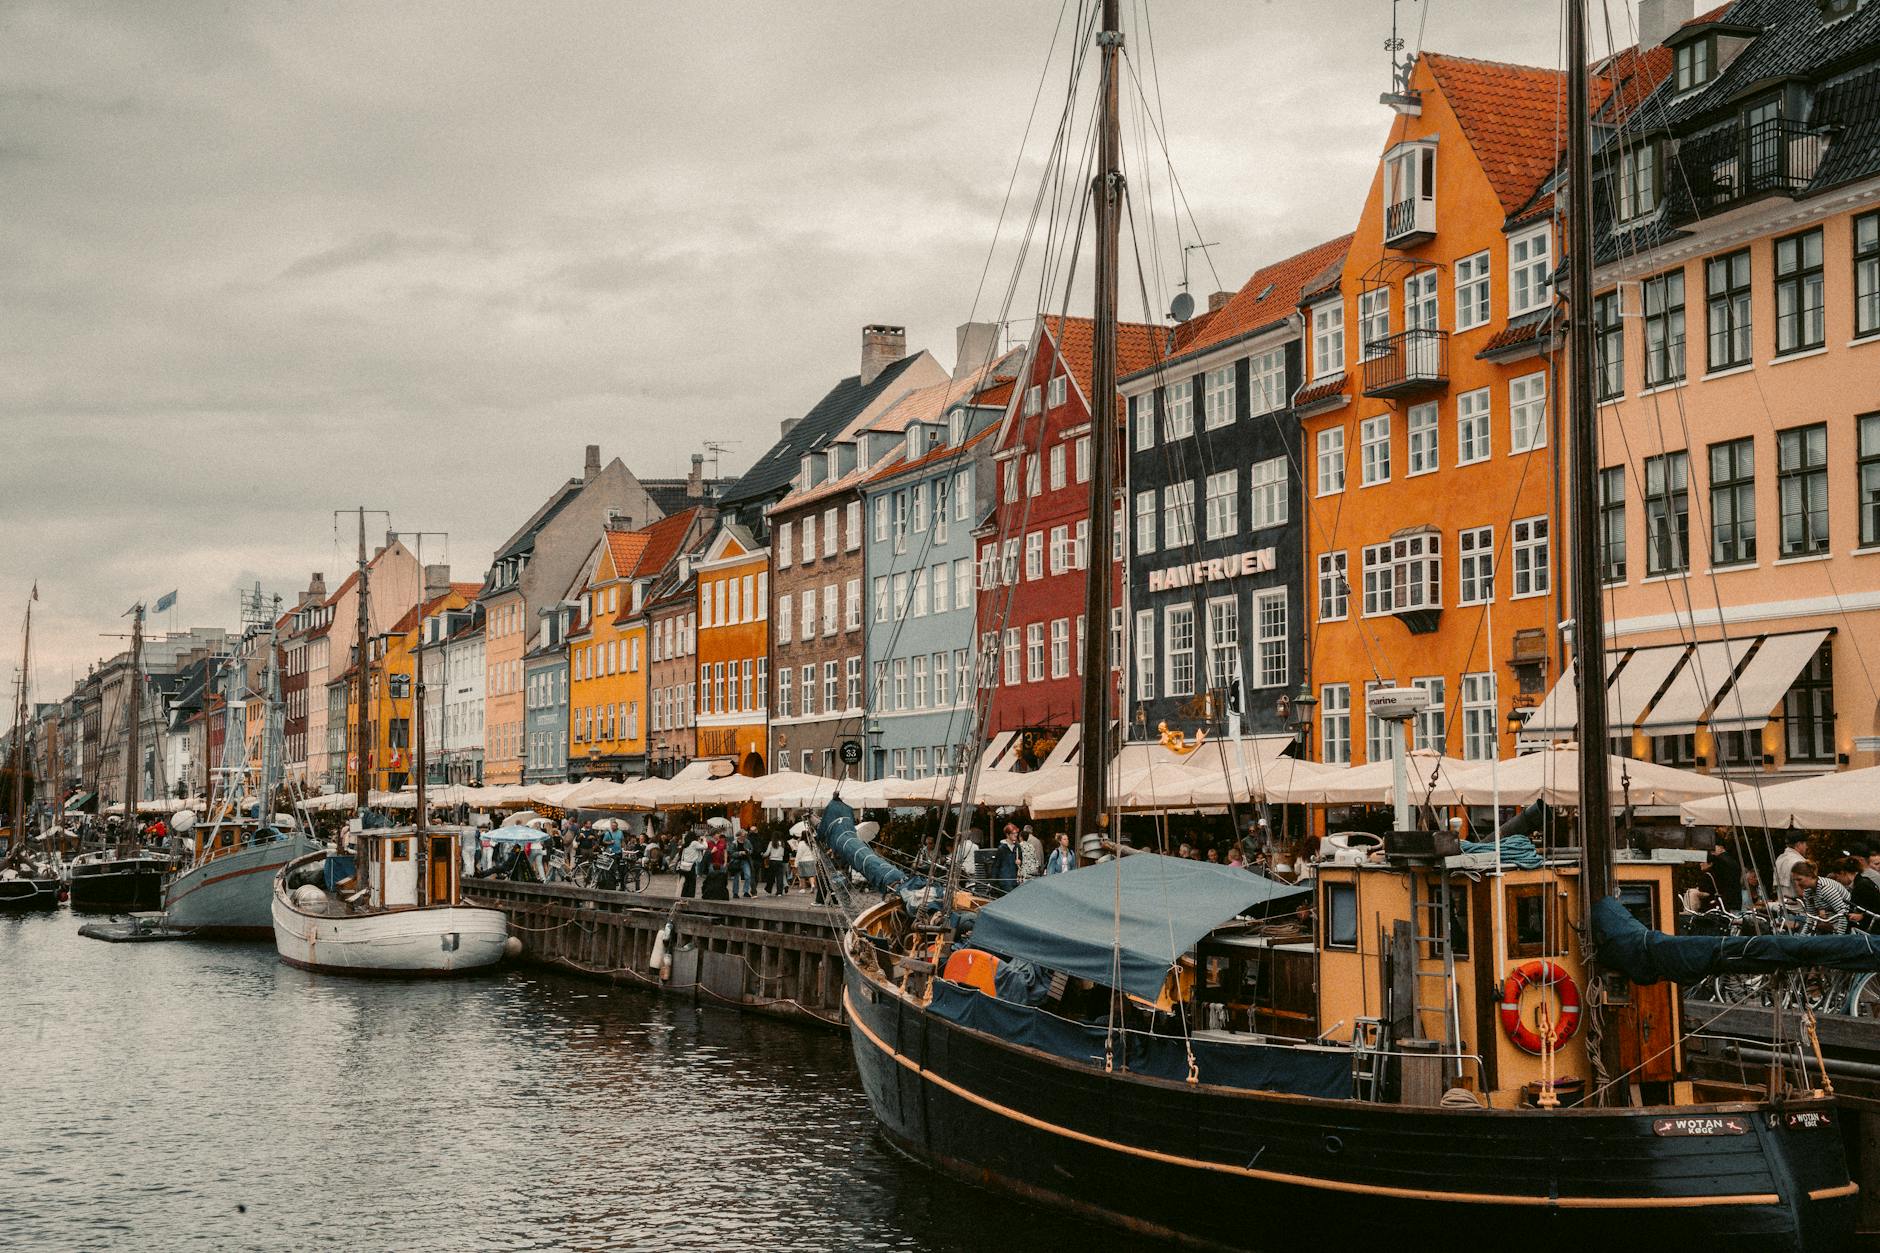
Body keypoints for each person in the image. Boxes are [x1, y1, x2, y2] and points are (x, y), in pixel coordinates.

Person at [1793, 861, 1850, 934]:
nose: (1797, 883)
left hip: (1847, 922)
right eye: (1794, 880)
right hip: (1833, 922)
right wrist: (1802, 937)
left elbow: (1843, 914)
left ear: (1810, 875)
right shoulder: (1808, 891)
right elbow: (1811, 917)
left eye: (1799, 879)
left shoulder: (1825, 889)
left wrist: (1838, 937)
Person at [1706, 835, 1745, 913]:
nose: (1711, 851)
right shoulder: (1733, 861)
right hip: (1736, 898)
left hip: (1724, 900)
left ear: (1720, 847)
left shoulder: (1719, 861)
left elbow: (1717, 883)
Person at [1774, 831, 1810, 904]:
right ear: (1799, 844)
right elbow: (1802, 891)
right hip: (1798, 909)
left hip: (1783, 908)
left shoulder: (1780, 859)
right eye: (1805, 844)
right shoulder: (1799, 862)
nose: (1807, 847)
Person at [677, 827, 706, 899]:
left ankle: (683, 896)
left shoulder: (686, 844)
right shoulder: (694, 843)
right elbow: (705, 847)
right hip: (691, 866)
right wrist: (704, 840)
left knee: (686, 883)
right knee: (692, 883)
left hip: (683, 866)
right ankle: (690, 897)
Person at [993, 824, 1022, 894]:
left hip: (1014, 880)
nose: (1015, 835)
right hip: (1004, 881)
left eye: (1016, 833)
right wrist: (993, 882)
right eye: (1013, 833)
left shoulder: (1017, 847)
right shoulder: (1002, 849)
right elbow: (996, 865)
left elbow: (1021, 861)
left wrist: (1020, 862)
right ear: (1007, 835)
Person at [764, 830, 789, 895]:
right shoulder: (782, 843)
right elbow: (783, 854)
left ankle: (769, 889)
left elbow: (767, 853)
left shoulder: (771, 843)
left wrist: (763, 855)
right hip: (780, 861)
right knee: (779, 877)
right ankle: (779, 892)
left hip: (772, 860)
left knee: (771, 876)